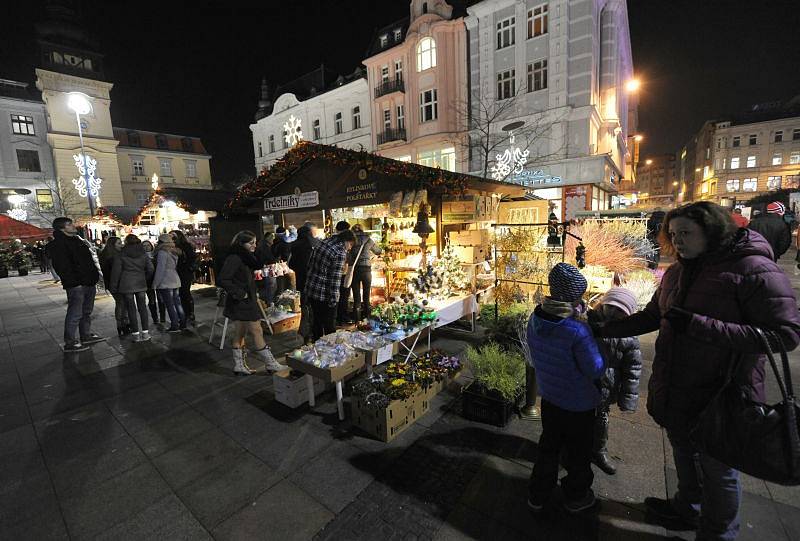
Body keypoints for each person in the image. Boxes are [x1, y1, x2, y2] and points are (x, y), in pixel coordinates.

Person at [595, 201, 800, 540]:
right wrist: (604, 328)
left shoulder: (752, 268)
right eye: (673, 235)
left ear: (713, 230)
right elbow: (653, 316)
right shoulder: (677, 272)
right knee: (683, 450)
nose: (679, 242)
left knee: (719, 469)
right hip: (678, 383)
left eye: (687, 233)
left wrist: (700, 326)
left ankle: (718, 533)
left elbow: (785, 334)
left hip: (725, 391)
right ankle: (687, 508)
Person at [526, 262, 604, 514]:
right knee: (579, 453)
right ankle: (576, 496)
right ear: (574, 296)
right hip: (579, 404)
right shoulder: (577, 330)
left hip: (550, 398)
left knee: (548, 448)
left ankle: (537, 495)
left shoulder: (535, 318)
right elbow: (595, 368)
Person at [588, 287, 642, 476]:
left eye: (620, 311)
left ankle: (599, 451)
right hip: (584, 383)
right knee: (580, 419)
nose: (613, 313)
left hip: (606, 387)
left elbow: (633, 369)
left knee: (601, 419)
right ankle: (576, 448)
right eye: (610, 307)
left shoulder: (629, 337)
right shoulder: (589, 323)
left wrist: (628, 399)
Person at [218, 230, 287, 375]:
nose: (254, 246)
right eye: (251, 243)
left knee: (240, 334)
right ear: (241, 244)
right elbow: (223, 279)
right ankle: (271, 364)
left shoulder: (245, 257)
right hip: (242, 301)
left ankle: (239, 366)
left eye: (255, 242)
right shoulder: (235, 258)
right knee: (257, 330)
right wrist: (240, 293)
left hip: (244, 299)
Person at [47, 217, 104, 352]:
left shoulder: (77, 241)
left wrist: (94, 277)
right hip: (77, 284)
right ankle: (70, 342)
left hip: (88, 281)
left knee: (86, 311)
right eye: (69, 224)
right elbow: (63, 267)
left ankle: (85, 335)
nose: (73, 226)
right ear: (62, 228)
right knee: (75, 312)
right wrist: (74, 282)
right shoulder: (58, 245)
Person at [305, 229, 356, 340]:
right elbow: (334, 280)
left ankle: (316, 346)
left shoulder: (324, 242)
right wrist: (333, 300)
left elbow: (309, 264)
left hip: (311, 288)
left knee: (316, 322)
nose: (350, 248)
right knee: (329, 325)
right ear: (346, 241)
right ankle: (329, 351)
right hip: (324, 293)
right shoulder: (339, 252)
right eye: (350, 244)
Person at [111, 235, 153, 341]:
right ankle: (145, 333)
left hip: (126, 284)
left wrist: (114, 286)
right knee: (142, 308)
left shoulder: (121, 254)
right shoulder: (143, 254)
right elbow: (150, 269)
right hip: (140, 283)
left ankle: (135, 334)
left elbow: (116, 272)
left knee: (131, 309)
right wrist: (144, 277)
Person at [290, 223, 320, 343]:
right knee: (314, 308)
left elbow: (291, 264)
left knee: (305, 307)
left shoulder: (295, 245)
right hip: (314, 281)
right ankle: (313, 333)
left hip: (301, 281)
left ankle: (304, 334)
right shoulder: (315, 244)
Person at [152, 233, 185, 332]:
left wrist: (155, 283)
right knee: (177, 303)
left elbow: (160, 269)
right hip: (175, 279)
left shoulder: (162, 252)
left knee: (170, 305)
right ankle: (182, 323)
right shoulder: (173, 250)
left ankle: (174, 325)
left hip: (166, 281)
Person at [348, 224, 382, 322]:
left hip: (355, 270)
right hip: (366, 270)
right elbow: (378, 251)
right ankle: (367, 320)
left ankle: (357, 321)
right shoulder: (368, 239)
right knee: (366, 296)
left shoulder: (351, 240)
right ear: (362, 230)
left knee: (356, 297)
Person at [99, 236, 130, 336]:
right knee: (122, 303)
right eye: (119, 243)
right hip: (117, 283)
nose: (121, 245)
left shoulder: (105, 254)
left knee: (121, 303)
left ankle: (123, 324)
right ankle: (122, 324)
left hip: (113, 283)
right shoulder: (112, 257)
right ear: (113, 245)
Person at [171, 230, 197, 325]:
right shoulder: (172, 246)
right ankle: (184, 314)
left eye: (174, 236)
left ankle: (189, 313)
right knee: (180, 294)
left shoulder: (186, 245)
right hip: (177, 272)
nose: (172, 238)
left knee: (185, 292)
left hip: (185, 272)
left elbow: (191, 257)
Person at [142, 240, 166, 326]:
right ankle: (155, 318)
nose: (146, 247)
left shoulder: (156, 255)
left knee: (161, 299)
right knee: (152, 300)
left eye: (148, 245)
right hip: (148, 281)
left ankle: (162, 317)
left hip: (158, 279)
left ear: (151, 245)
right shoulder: (142, 257)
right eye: (144, 246)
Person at [334, 220, 352, 324]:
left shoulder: (333, 239)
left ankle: (338, 317)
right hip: (342, 272)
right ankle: (341, 317)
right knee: (343, 296)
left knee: (340, 296)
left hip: (341, 272)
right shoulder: (343, 241)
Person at [255, 233, 277, 304]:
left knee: (270, 286)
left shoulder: (264, 245)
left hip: (265, 267)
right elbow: (269, 258)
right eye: (271, 237)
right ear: (267, 238)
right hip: (267, 268)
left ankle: (268, 301)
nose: (273, 239)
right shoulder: (264, 246)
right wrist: (275, 260)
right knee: (271, 285)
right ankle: (269, 302)